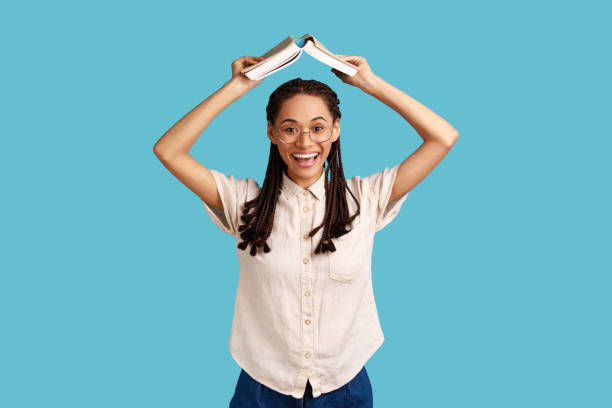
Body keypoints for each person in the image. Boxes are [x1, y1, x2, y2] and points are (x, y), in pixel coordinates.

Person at [154, 53, 459, 407]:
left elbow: (443, 137)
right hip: (261, 389)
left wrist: (368, 83)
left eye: (317, 127)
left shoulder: (365, 198)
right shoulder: (243, 203)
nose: (304, 142)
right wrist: (237, 87)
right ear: (271, 132)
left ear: (335, 129)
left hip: (345, 386)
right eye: (289, 128)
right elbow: (169, 150)